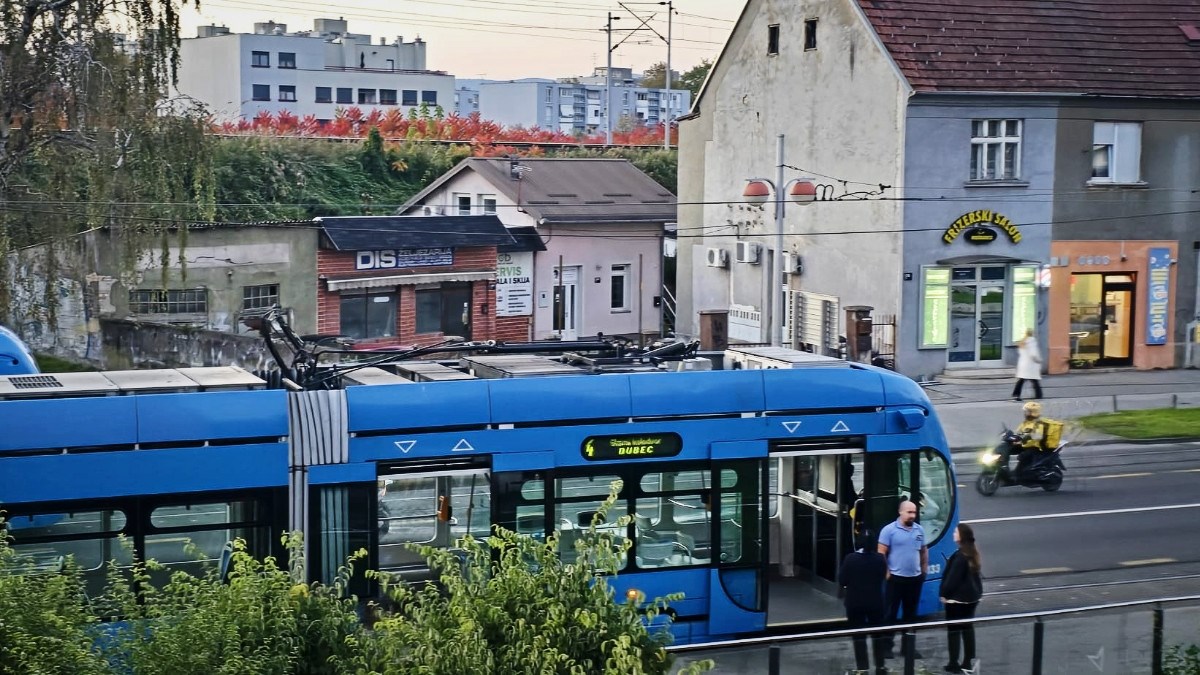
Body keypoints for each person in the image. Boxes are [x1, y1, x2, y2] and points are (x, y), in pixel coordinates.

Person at [878, 500, 928, 659]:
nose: (913, 515)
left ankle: (908, 648)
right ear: (901, 512)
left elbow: (923, 551)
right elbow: (881, 553)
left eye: (914, 512)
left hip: (914, 580)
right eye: (909, 512)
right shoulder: (889, 530)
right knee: (890, 614)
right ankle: (886, 647)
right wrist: (887, 572)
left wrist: (924, 570)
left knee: (911, 615)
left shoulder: (919, 530)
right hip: (895, 579)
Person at [838, 531, 888, 675]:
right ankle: (880, 666)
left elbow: (842, 580)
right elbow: (883, 576)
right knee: (878, 635)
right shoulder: (879, 559)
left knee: (858, 636)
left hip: (855, 603)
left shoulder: (850, 559)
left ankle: (862, 668)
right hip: (875, 603)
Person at [940, 523, 983, 674]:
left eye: (955, 532)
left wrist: (944, 594)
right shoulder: (972, 553)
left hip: (956, 600)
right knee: (967, 629)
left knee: (953, 631)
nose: (953, 533)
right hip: (972, 598)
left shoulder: (959, 557)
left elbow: (952, 580)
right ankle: (968, 661)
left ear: (961, 536)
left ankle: (953, 663)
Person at [1012, 328, 1043, 401]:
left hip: (1023, 364)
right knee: (1034, 380)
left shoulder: (1022, 341)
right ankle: (1039, 395)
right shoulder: (1032, 341)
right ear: (1032, 333)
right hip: (1030, 365)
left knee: (1022, 380)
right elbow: (1033, 354)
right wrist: (1038, 360)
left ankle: (1016, 394)